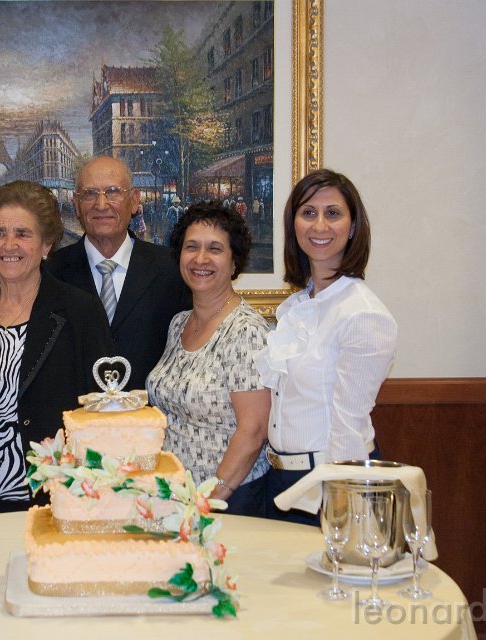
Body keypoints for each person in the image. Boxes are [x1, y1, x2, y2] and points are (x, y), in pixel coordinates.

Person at [255, 169, 398, 525]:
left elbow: (349, 425)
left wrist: (344, 508)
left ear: (352, 227)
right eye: (308, 213)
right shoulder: (297, 306)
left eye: (332, 213)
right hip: (281, 481)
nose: (319, 225)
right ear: (294, 225)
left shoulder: (362, 313)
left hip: (331, 483)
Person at [0, 181, 113, 515]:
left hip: (59, 494)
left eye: (23, 234)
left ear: (46, 244)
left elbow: (103, 409)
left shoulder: (80, 311)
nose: (9, 245)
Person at [146, 202, 270, 516]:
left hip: (227, 502)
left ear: (234, 262)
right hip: (177, 497)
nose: (201, 259)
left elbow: (254, 431)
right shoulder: (179, 324)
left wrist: (211, 499)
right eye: (192, 247)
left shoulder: (246, 332)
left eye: (215, 249)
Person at [47, 156, 189, 390]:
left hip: (149, 411)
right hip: (74, 412)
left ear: (134, 201)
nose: (101, 204)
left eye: (112, 192)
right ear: (76, 204)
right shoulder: (50, 273)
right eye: (90, 194)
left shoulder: (172, 270)